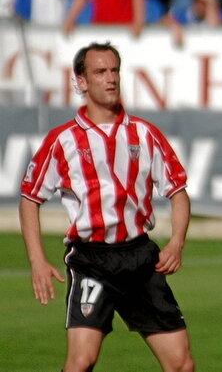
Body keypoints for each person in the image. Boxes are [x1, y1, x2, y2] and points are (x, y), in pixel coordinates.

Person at [19, 41, 195, 372]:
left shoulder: (144, 134)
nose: (110, 78)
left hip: (141, 258)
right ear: (81, 81)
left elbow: (178, 191)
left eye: (114, 70)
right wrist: (37, 260)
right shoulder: (64, 140)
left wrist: (176, 242)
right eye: (100, 72)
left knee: (181, 364)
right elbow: (30, 198)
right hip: (92, 260)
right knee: (82, 361)